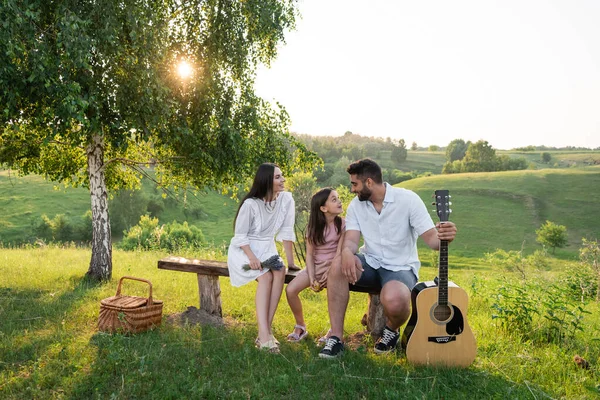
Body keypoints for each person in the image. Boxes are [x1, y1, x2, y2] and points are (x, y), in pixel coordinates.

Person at [319, 158, 458, 359]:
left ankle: (391, 331)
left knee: (395, 300)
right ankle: (336, 339)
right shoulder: (357, 206)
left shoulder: (408, 200)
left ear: (368, 182)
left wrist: (447, 236)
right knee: (338, 265)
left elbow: (433, 241)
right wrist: (347, 253)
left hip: (400, 268)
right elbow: (351, 240)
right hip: (371, 262)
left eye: (354, 184)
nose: (352, 190)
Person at [227, 163, 300, 353]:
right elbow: (240, 236)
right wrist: (251, 257)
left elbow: (286, 231)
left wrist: (290, 262)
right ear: (266, 180)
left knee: (280, 270)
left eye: (282, 176)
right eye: (277, 177)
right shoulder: (250, 204)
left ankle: (264, 332)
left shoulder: (286, 200)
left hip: (267, 248)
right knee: (266, 277)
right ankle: (265, 334)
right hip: (245, 250)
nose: (283, 180)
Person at [285, 188, 345, 343]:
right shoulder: (313, 228)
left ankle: (334, 331)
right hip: (315, 267)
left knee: (333, 296)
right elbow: (310, 255)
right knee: (290, 290)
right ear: (323, 208)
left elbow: (340, 253)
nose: (339, 201)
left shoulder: (343, 225)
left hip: (334, 268)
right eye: (334, 199)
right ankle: (300, 326)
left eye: (338, 198)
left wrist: (331, 272)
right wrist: (312, 277)